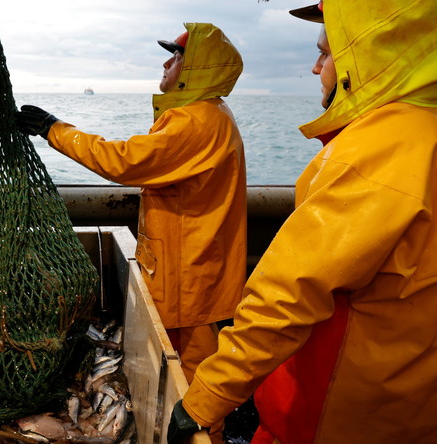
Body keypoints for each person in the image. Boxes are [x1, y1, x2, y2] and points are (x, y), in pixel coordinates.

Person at [168, 1, 437, 443]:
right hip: (407, 414)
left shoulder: (377, 150)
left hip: (329, 421)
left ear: (366, 57)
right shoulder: (424, 132)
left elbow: (288, 295)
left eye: (327, 54)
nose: (316, 69)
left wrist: (204, 401)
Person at [15, 22, 245, 444]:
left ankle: (207, 435)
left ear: (195, 69)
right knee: (191, 359)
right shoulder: (206, 115)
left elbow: (123, 161)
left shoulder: (195, 121)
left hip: (188, 274)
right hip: (193, 265)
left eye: (175, 56)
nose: (165, 62)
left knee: (192, 369)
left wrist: (54, 129)